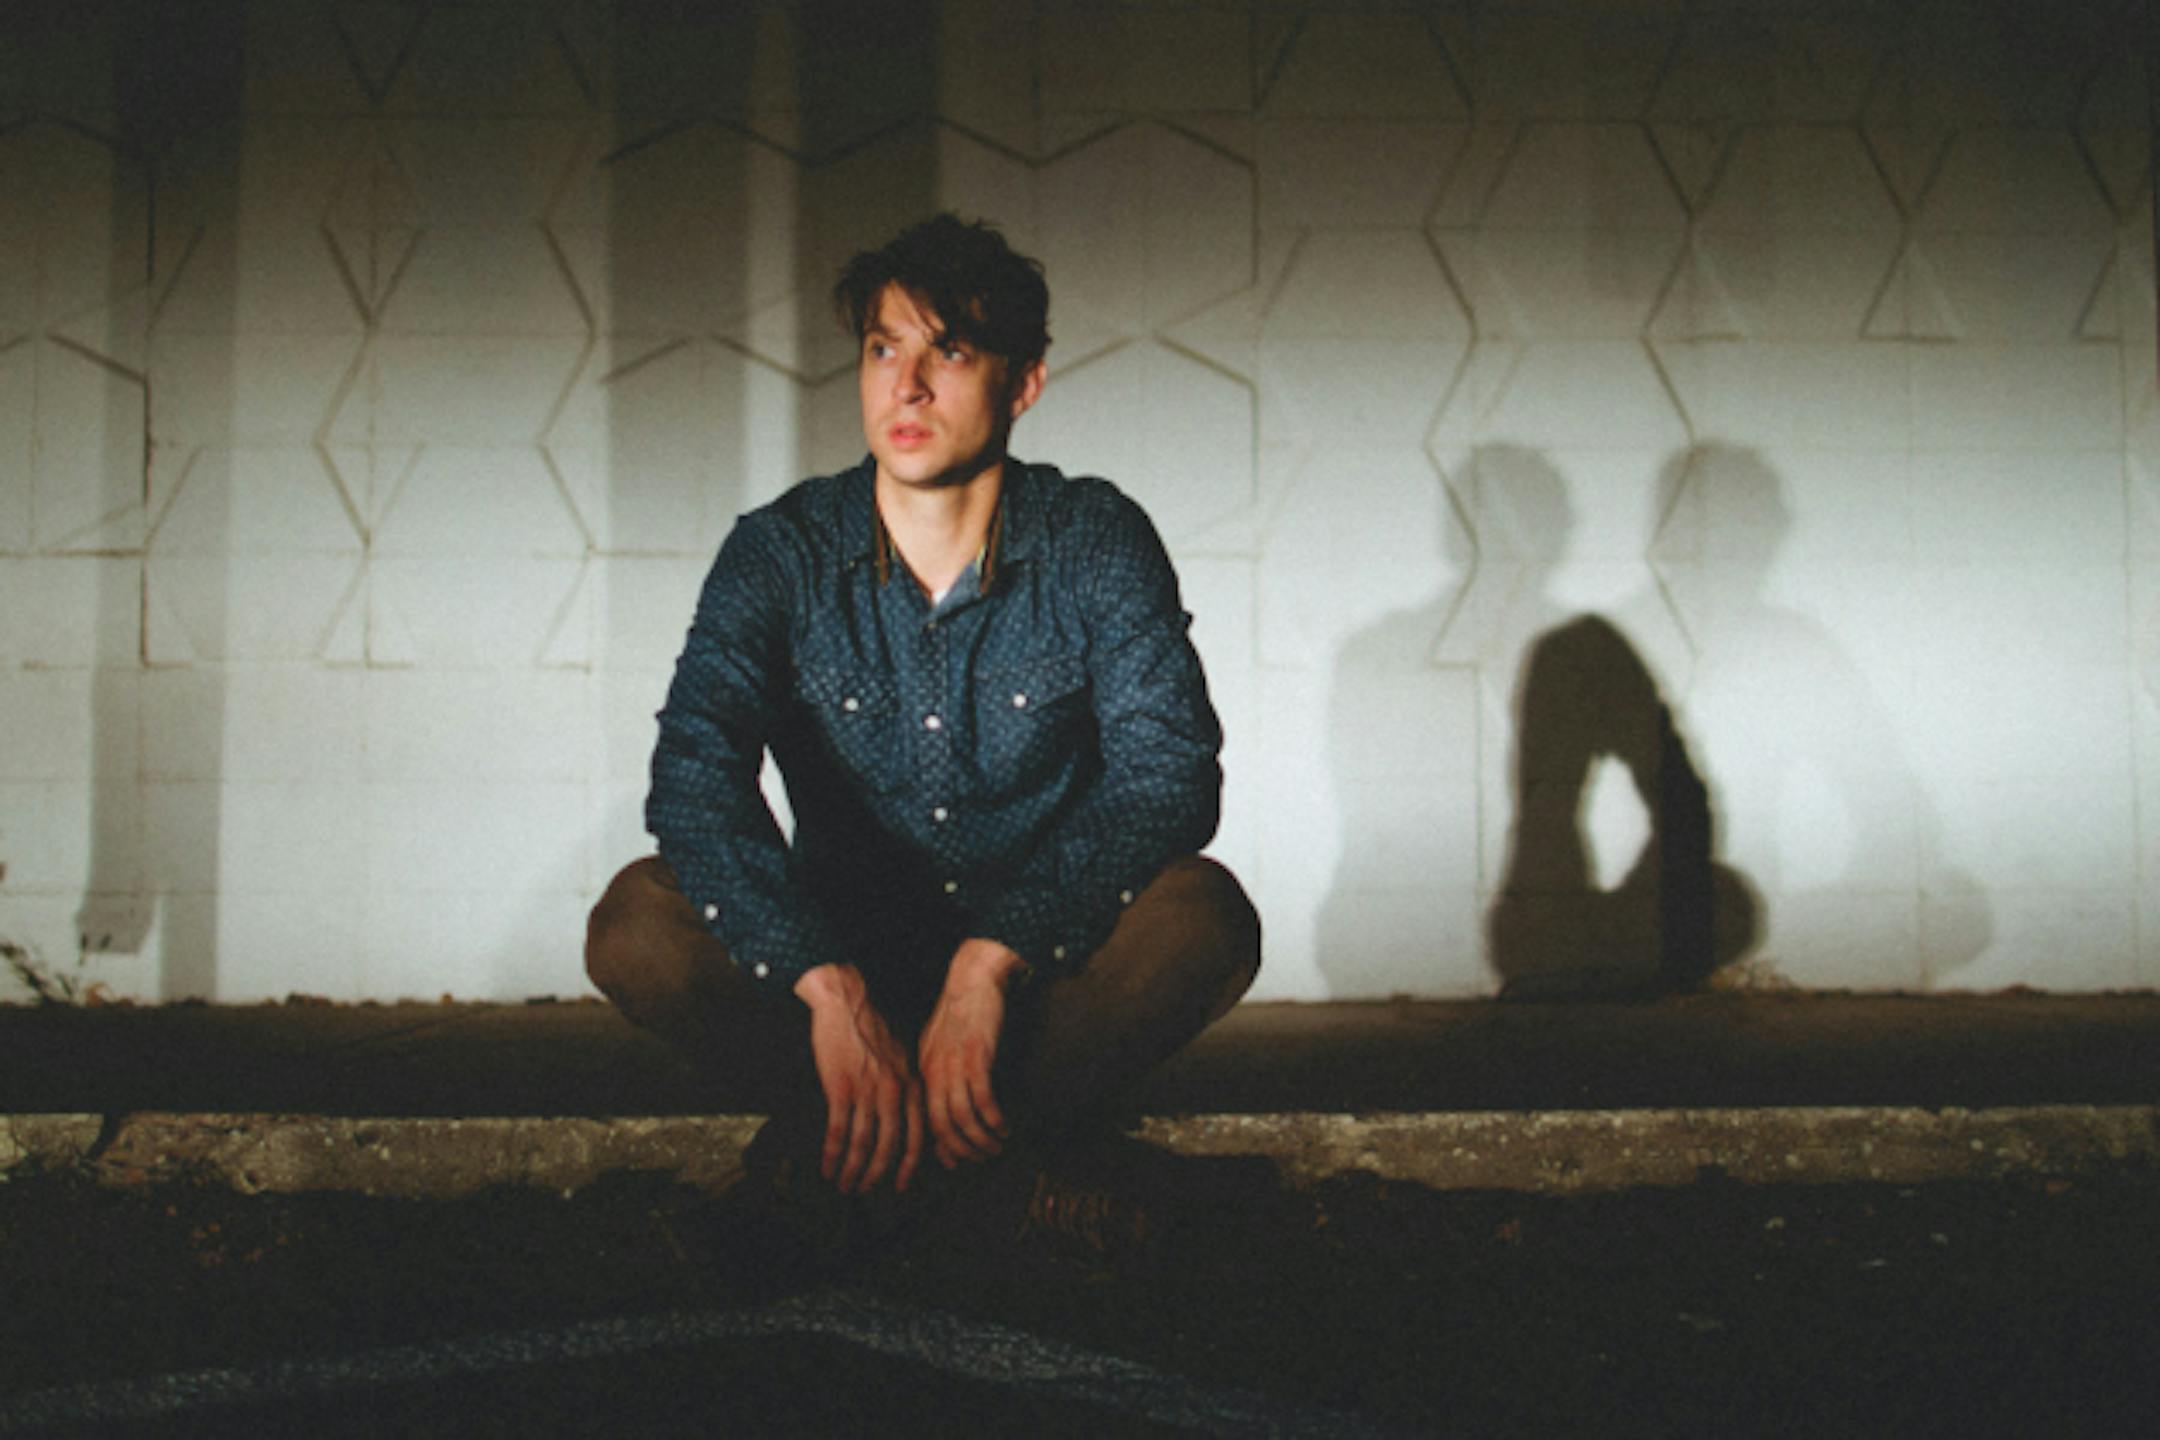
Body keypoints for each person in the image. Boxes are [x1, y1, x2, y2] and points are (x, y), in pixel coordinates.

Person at [585, 214, 1260, 1213]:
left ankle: (847, 1158)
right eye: (881, 349)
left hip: (1039, 979)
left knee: (1203, 917)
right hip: (838, 955)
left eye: (949, 352)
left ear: (1022, 383)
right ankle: (1001, 1157)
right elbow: (694, 777)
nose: (905, 386)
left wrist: (992, 961)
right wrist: (825, 983)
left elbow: (1167, 777)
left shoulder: (1093, 539)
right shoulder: (781, 552)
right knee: (637, 925)